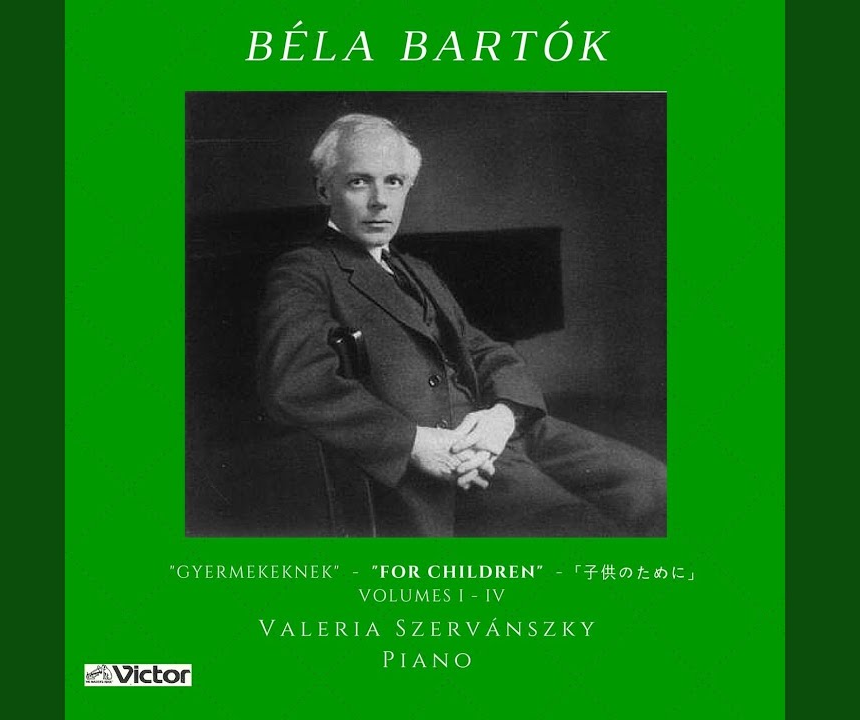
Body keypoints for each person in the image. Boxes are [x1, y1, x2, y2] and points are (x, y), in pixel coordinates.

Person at [257, 113, 666, 537]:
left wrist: (502, 416)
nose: (380, 200)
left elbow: (485, 349)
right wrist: (415, 443)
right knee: (580, 527)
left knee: (652, 484)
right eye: (359, 182)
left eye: (394, 181)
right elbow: (295, 382)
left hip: (494, 435)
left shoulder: (416, 269)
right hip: (440, 462)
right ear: (324, 189)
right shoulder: (305, 270)